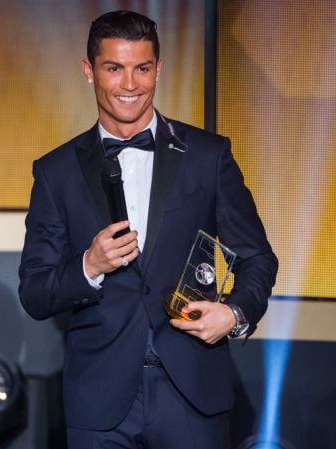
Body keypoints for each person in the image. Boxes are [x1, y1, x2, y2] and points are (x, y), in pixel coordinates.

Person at [18, 10, 277, 449]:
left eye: (142, 68)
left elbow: (257, 258)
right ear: (89, 71)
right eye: (114, 68)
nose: (130, 84)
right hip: (99, 402)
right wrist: (88, 265)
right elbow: (35, 292)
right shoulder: (56, 172)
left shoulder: (207, 156)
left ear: (158, 69)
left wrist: (234, 315)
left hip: (193, 393)